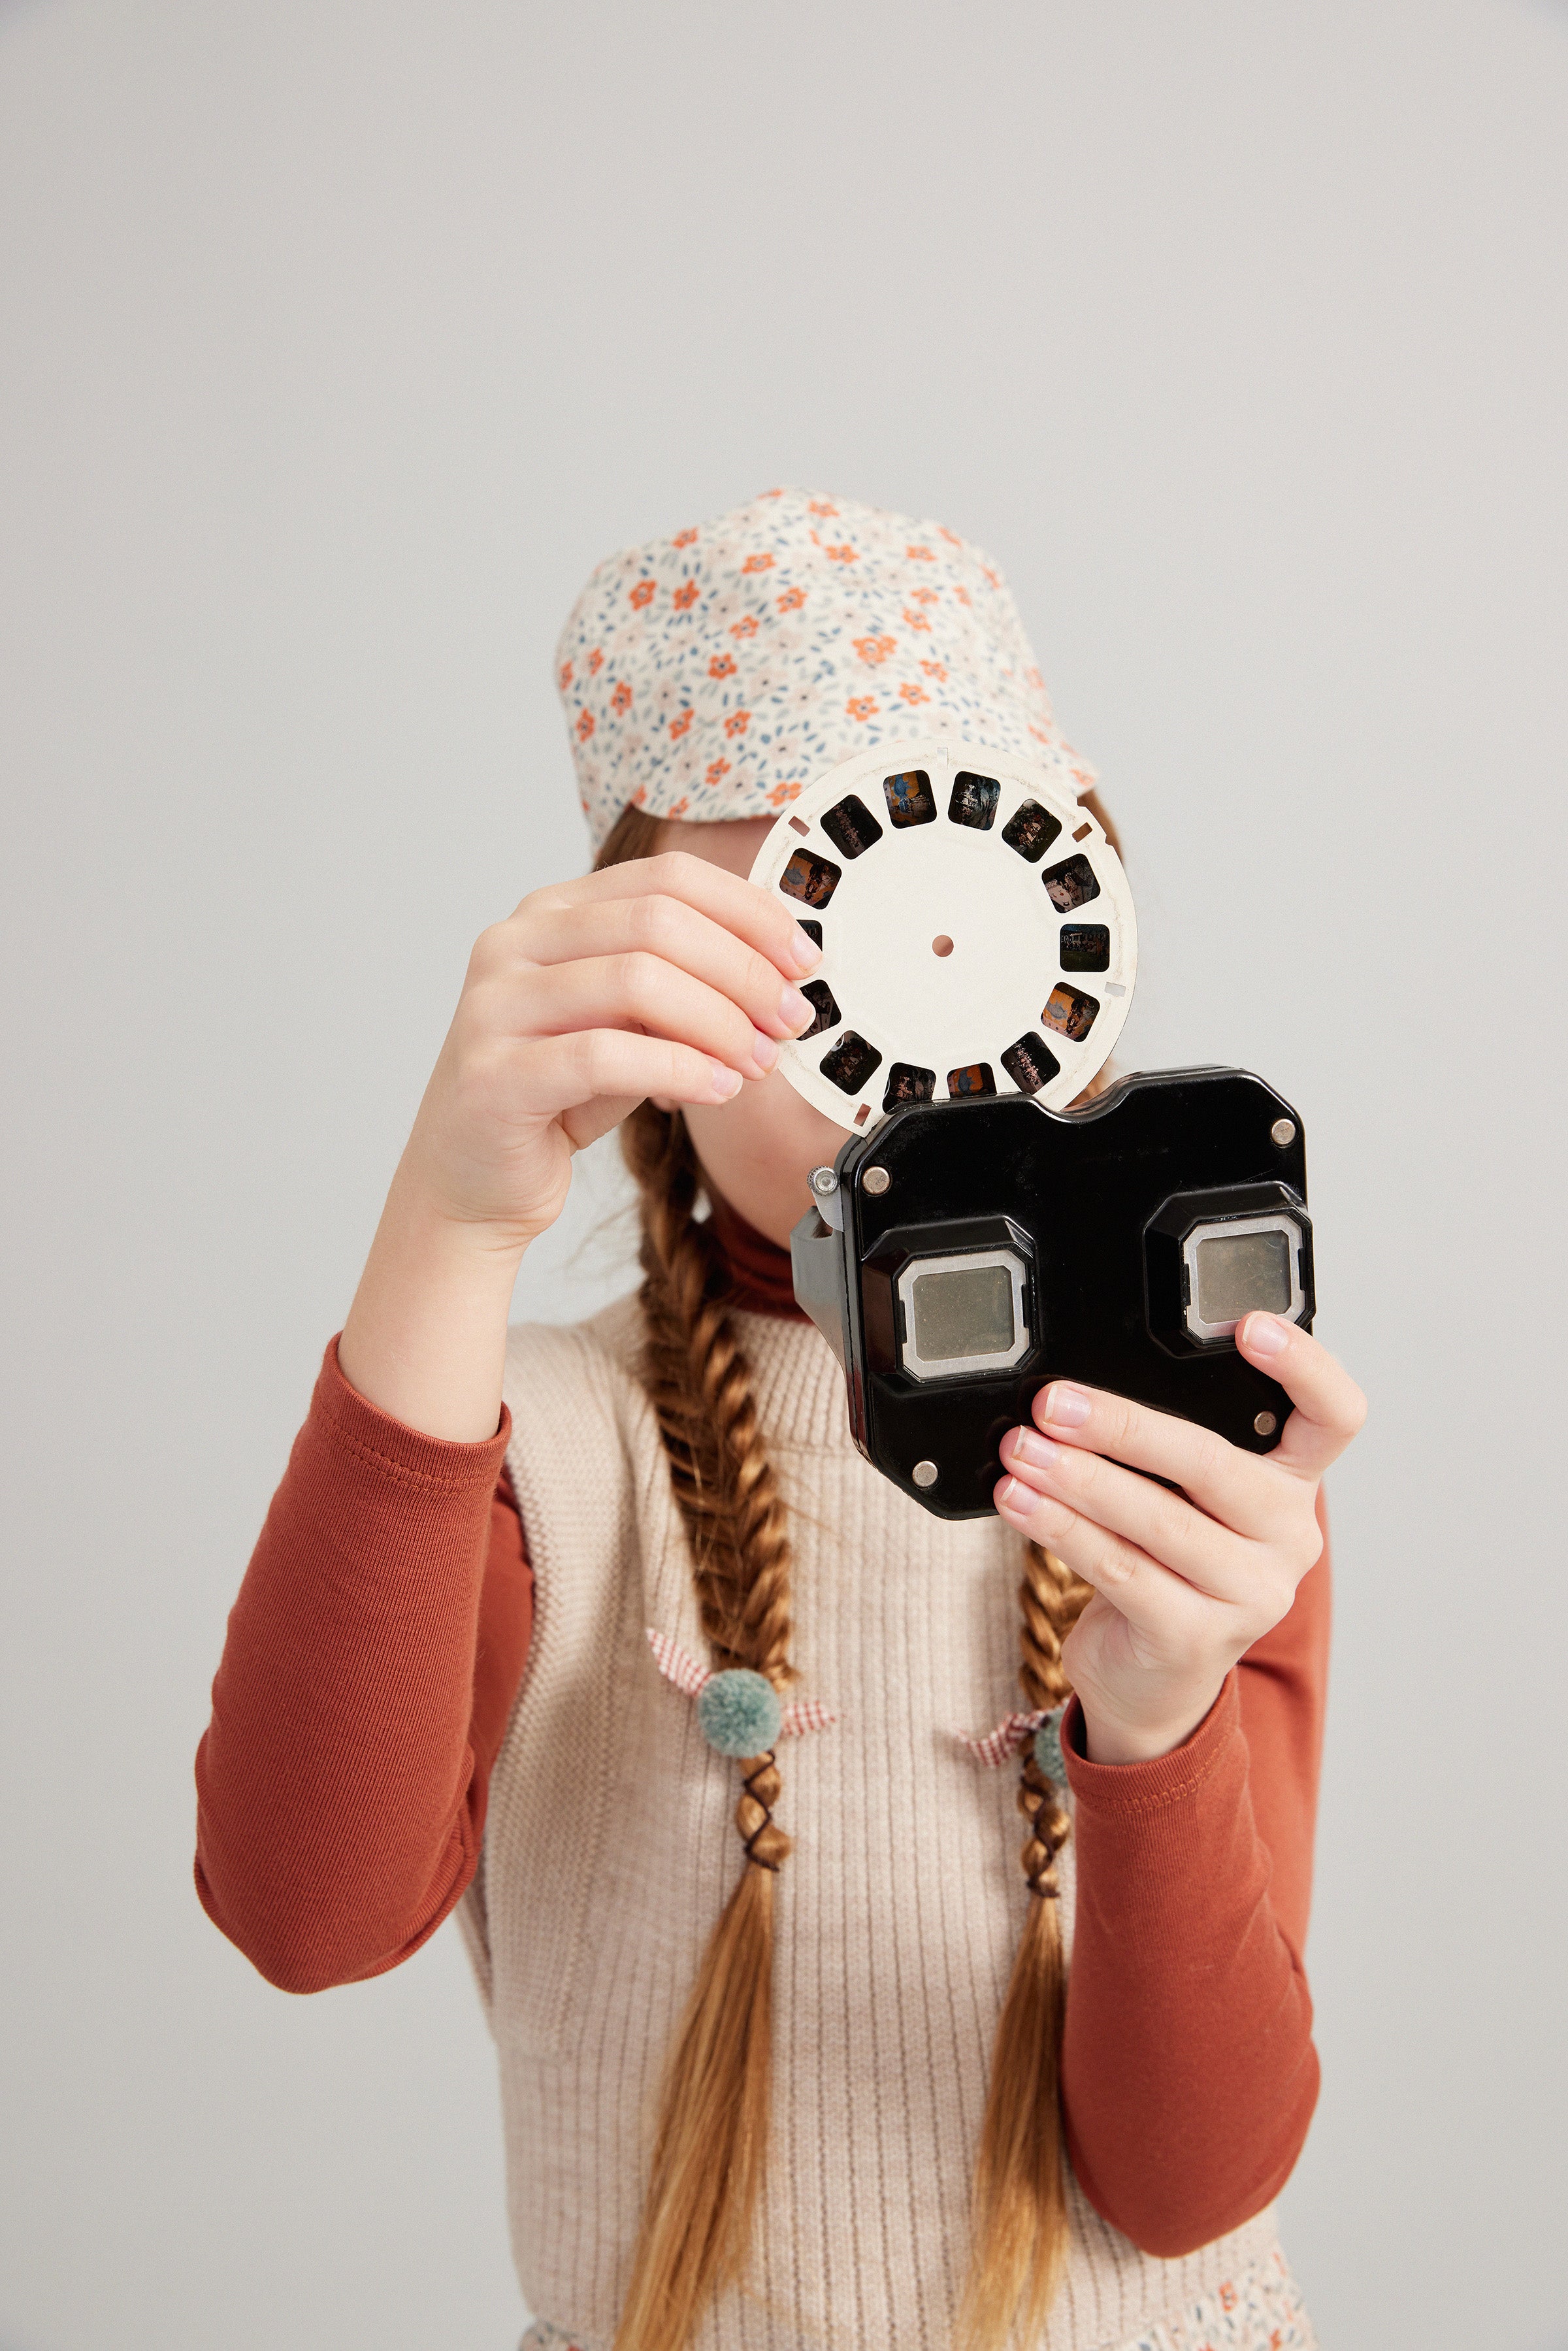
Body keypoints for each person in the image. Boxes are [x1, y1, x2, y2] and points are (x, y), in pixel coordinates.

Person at [195, 490, 1365, 2351]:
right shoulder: (544, 1454)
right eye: (809, 911)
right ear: (631, 990)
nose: (910, 1006)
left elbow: (1191, 2184)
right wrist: (450, 1220)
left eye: (960, 898)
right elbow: (302, 1909)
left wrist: (1157, 1719)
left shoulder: (1194, 1471)